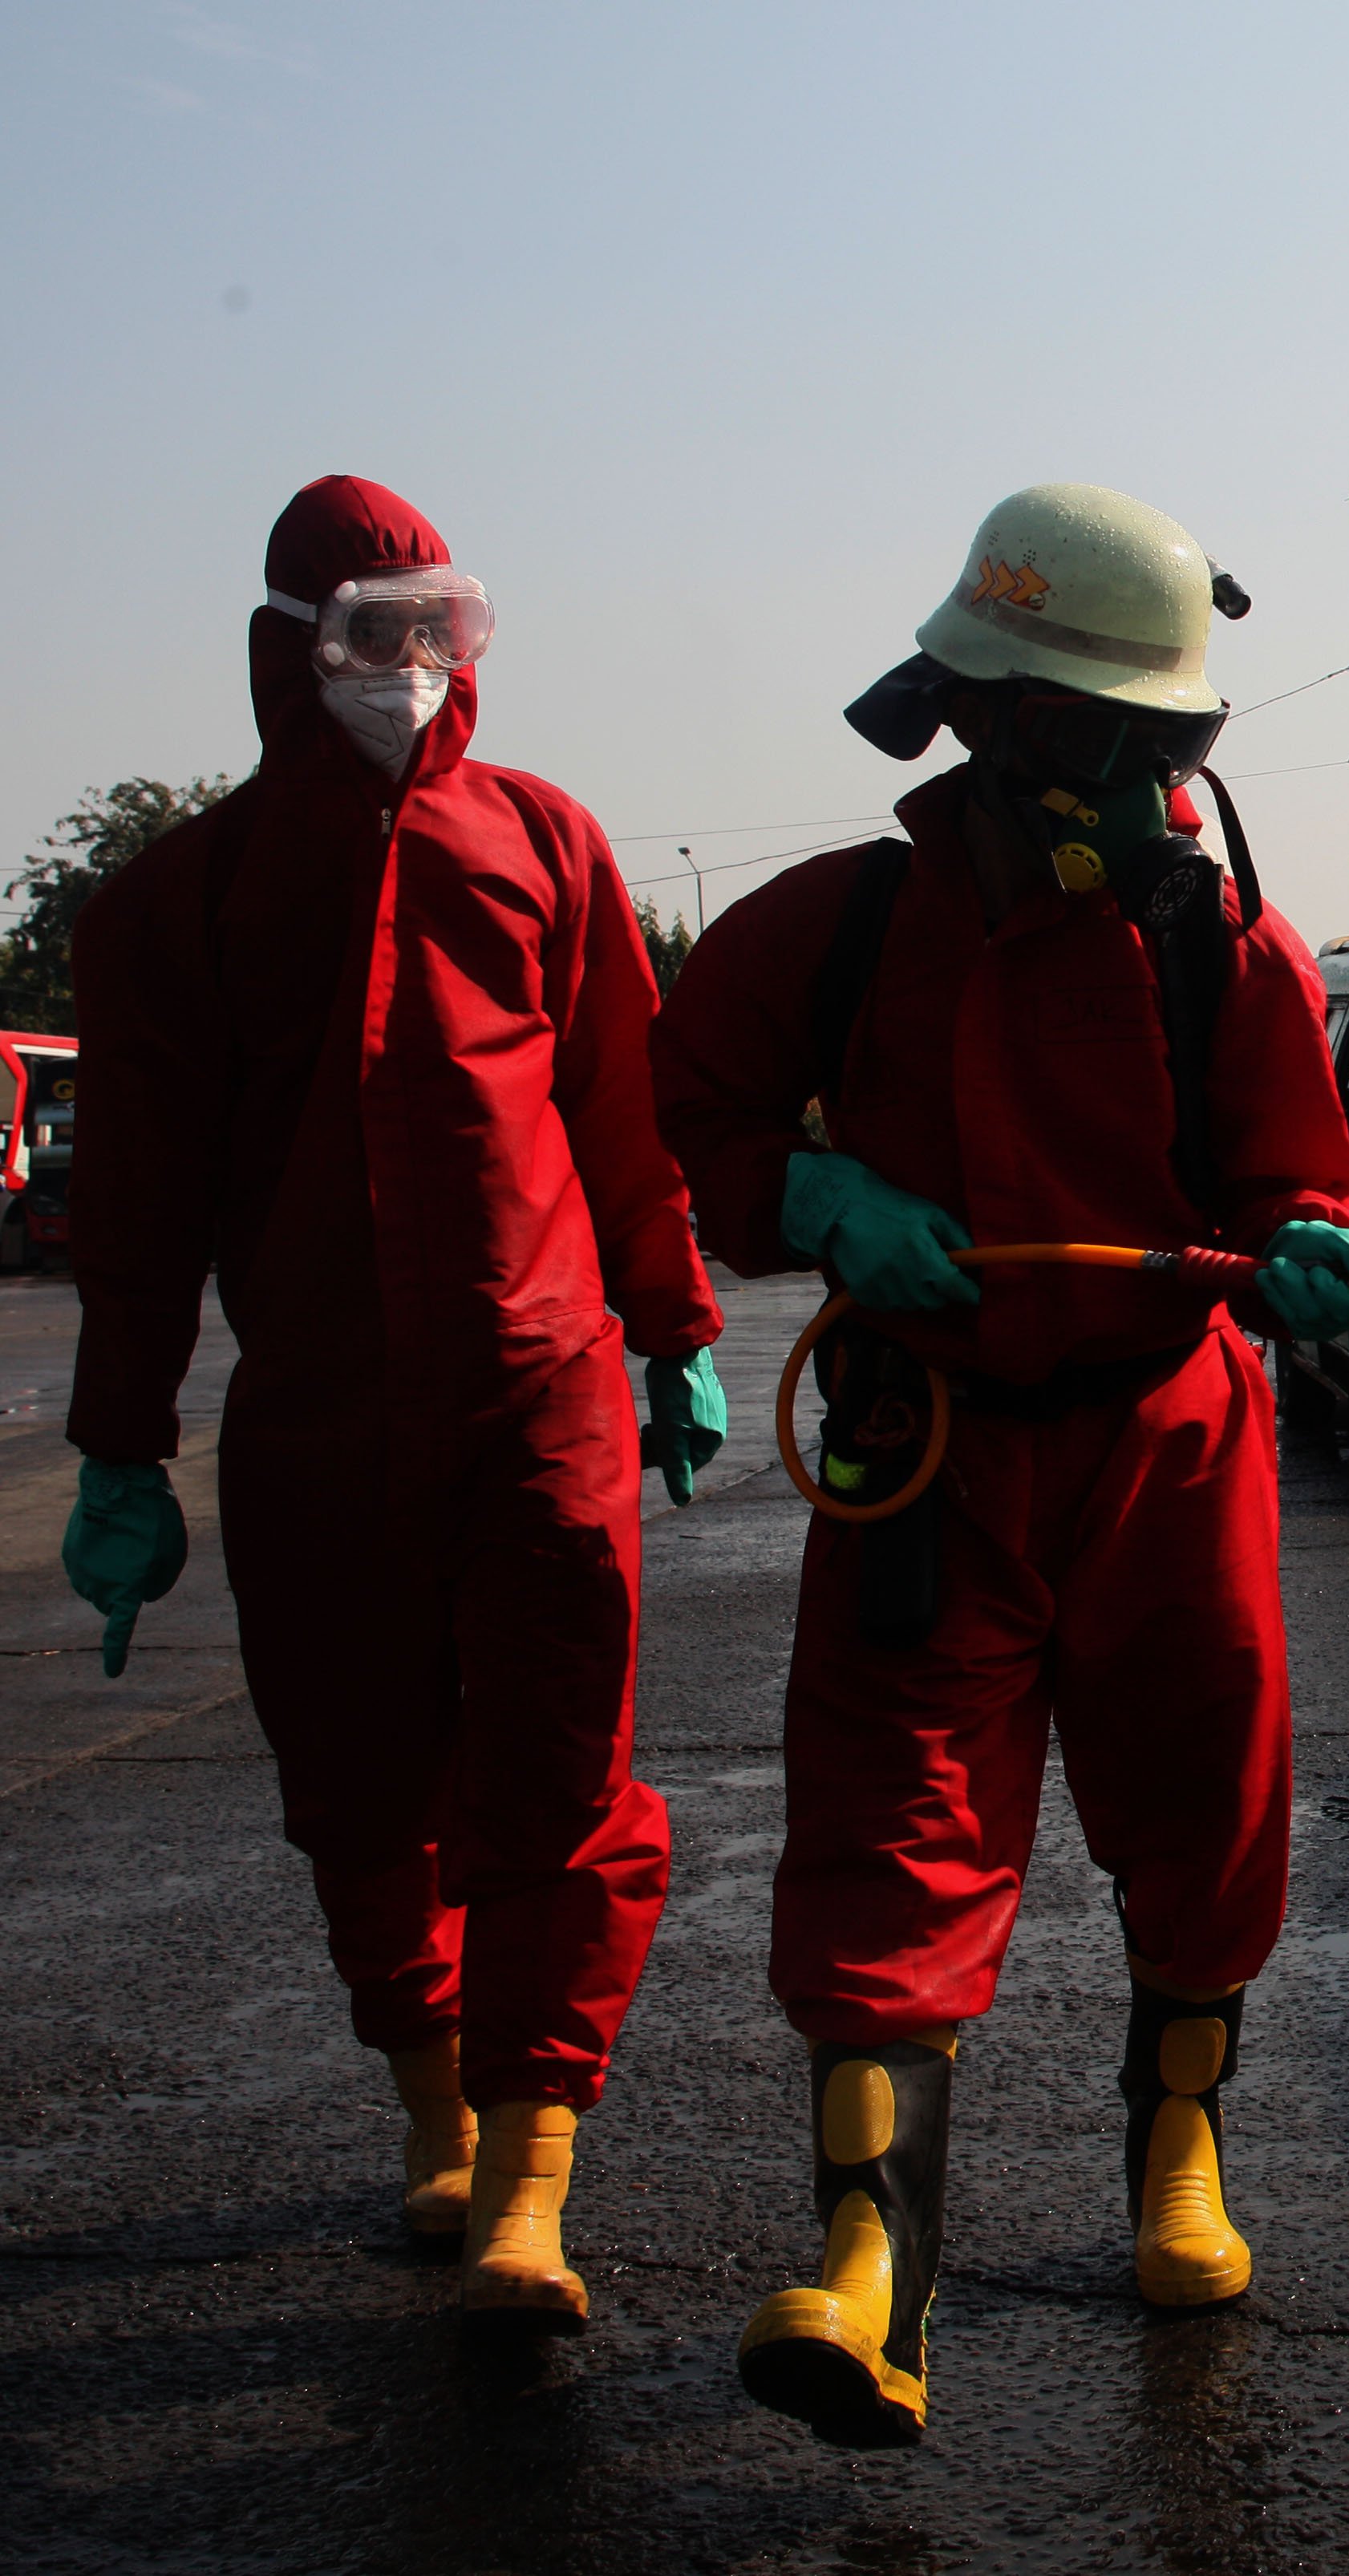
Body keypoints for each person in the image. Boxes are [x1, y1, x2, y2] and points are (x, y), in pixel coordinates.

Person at [651, 484, 1349, 2448]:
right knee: (890, 1841)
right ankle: (872, 2277)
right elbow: (677, 1095)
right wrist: (814, 1190)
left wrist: (1314, 1237)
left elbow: (1296, 1168)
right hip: (931, 1456)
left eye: (1139, 747)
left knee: (1203, 1808)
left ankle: (1177, 2152)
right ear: (977, 712)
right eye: (1059, 733)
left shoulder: (1226, 946)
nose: (1099, 781)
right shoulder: (843, 925)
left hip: (1165, 1445)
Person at [62, 474, 727, 2335]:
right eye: (373, 635)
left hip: (543, 1399)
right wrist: (123, 1442)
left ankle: (529, 2170)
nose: (411, 672)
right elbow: (137, 1213)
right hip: (319, 1422)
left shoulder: (549, 845)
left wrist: (669, 1325)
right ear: (291, 651)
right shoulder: (173, 905)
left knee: (558, 1788)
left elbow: (624, 1122)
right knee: (359, 1790)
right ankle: (434, 2111)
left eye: (440, 631)